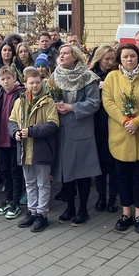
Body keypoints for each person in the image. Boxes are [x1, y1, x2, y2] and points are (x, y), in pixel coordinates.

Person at [102, 44, 139, 235]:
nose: (129, 59)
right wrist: (125, 121)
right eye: (125, 57)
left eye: (133, 56)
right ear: (120, 59)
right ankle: (126, 213)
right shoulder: (112, 77)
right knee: (122, 177)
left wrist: (138, 122)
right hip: (120, 135)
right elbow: (108, 102)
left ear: (138, 57)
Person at [52, 44, 102, 227]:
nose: (62, 55)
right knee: (66, 172)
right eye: (60, 53)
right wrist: (54, 105)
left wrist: (72, 108)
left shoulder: (87, 76)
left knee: (82, 172)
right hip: (61, 131)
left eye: (65, 53)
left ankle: (83, 209)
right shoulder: (55, 75)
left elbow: (94, 103)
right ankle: (70, 207)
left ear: (75, 56)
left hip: (81, 130)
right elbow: (48, 97)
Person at [9, 68, 59, 233]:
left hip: (41, 150)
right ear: (25, 84)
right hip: (24, 150)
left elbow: (53, 124)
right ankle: (32, 211)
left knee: (42, 183)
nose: (35, 85)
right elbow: (12, 121)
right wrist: (15, 132)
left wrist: (32, 131)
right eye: (31, 83)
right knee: (29, 183)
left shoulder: (48, 101)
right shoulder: (19, 101)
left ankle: (42, 215)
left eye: (37, 82)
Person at [88, 44, 119, 213]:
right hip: (97, 122)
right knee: (99, 162)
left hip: (113, 121)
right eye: (106, 59)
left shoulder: (117, 74)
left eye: (112, 59)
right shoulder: (91, 75)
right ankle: (101, 196)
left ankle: (113, 197)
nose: (109, 62)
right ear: (99, 58)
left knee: (113, 162)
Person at [0, 67, 26, 219]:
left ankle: (16, 202)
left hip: (14, 139)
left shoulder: (21, 94)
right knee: (5, 172)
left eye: (8, 78)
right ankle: (8, 199)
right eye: (3, 79)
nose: (6, 81)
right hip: (0, 139)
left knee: (15, 173)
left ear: (14, 78)